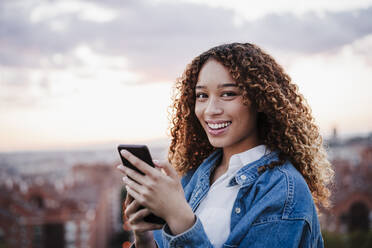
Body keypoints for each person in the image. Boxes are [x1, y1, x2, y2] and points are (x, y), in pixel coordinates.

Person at [116, 42, 334, 248]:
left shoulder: (283, 190)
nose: (211, 109)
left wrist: (180, 218)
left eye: (228, 94)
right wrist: (145, 239)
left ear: (260, 100)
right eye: (202, 95)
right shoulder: (193, 176)